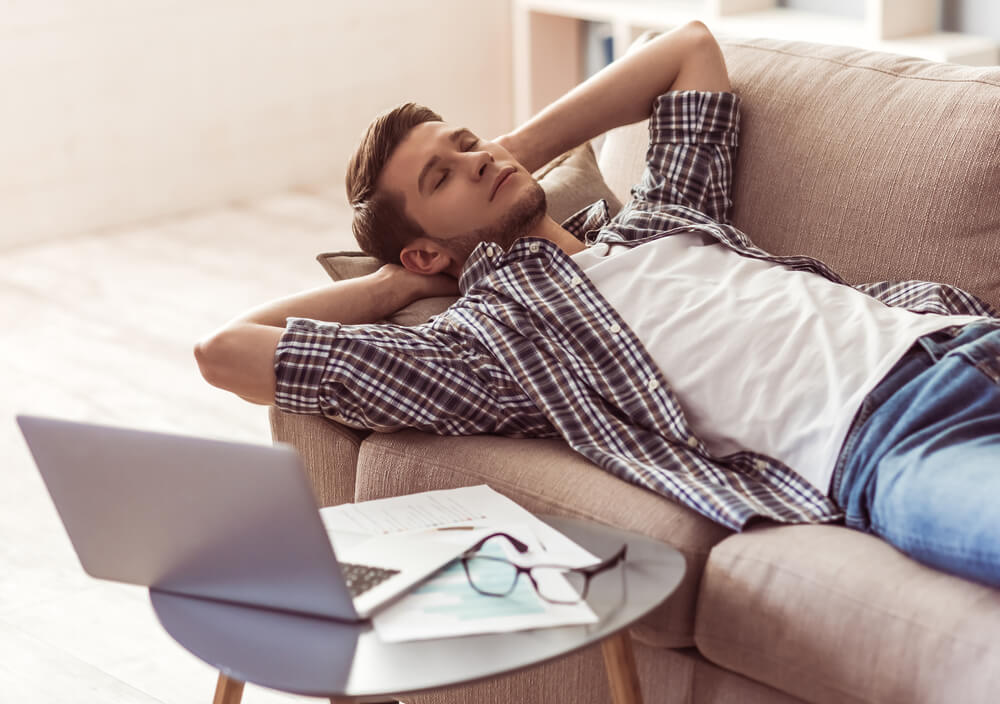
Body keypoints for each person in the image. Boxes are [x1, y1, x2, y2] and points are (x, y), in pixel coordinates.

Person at [194, 21, 1000, 587]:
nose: (475, 162)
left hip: (961, 338)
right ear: (426, 248)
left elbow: (686, 49)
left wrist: (515, 152)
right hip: (890, 439)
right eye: (441, 178)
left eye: (465, 143)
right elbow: (225, 352)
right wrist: (399, 284)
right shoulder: (490, 344)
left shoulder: (665, 213)